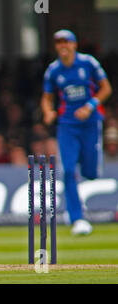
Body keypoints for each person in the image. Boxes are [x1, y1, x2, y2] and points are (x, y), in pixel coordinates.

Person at [41, 29, 112, 235]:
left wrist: (90, 105)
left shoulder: (88, 63)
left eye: (66, 42)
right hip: (67, 125)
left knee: (90, 173)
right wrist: (47, 112)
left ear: (74, 45)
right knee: (69, 170)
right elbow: (47, 97)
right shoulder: (53, 70)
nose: (63, 46)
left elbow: (105, 88)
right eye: (59, 43)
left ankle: (90, 171)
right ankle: (77, 218)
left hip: (90, 123)